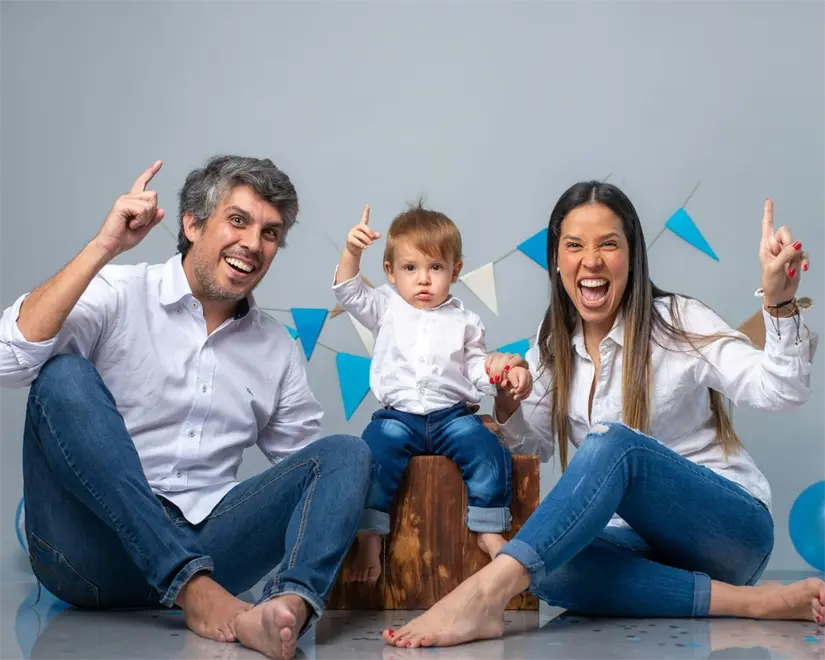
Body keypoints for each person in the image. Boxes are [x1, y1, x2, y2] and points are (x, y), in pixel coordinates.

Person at [381, 181, 822, 649]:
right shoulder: (552, 345)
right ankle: (751, 603)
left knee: (613, 444)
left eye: (608, 244)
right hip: (644, 551)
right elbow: (534, 447)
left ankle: (483, 595)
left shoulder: (678, 320)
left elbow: (782, 391)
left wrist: (779, 303)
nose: (590, 260)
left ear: (631, 257)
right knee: (546, 564)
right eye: (574, 246)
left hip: (730, 534)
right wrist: (507, 406)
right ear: (557, 260)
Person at [0, 155, 372, 660]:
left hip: (212, 548)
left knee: (347, 453)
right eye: (237, 220)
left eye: (269, 233)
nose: (253, 244)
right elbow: (9, 361)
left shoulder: (277, 348)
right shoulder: (119, 292)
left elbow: (310, 473)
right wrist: (103, 247)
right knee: (61, 376)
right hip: (87, 555)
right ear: (192, 223)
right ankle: (192, 591)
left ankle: (286, 611)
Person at [332, 203, 532, 582]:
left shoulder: (465, 321)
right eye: (410, 268)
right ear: (390, 272)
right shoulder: (385, 308)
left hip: (450, 416)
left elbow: (474, 370)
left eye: (436, 267)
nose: (423, 280)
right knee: (372, 457)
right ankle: (370, 535)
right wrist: (353, 252)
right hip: (398, 417)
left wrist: (500, 374)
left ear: (455, 271)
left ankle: (488, 526)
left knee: (488, 452)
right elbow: (348, 291)